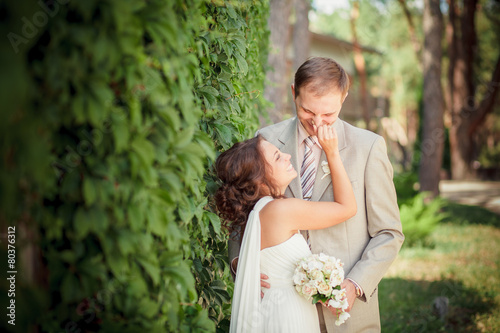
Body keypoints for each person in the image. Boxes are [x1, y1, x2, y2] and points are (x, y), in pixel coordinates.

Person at [229, 57, 404, 332]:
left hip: (346, 314)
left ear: (343, 99)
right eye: (308, 111)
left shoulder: (368, 147)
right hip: (282, 312)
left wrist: (355, 285)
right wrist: (242, 261)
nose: (318, 123)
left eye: (328, 114)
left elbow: (389, 233)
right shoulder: (266, 141)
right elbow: (245, 210)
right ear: (293, 94)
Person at [215, 124, 357, 332]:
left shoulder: (257, 212)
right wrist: (332, 152)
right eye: (277, 157)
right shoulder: (281, 210)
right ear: (258, 179)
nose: (288, 156)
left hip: (273, 309)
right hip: (290, 315)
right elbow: (347, 208)